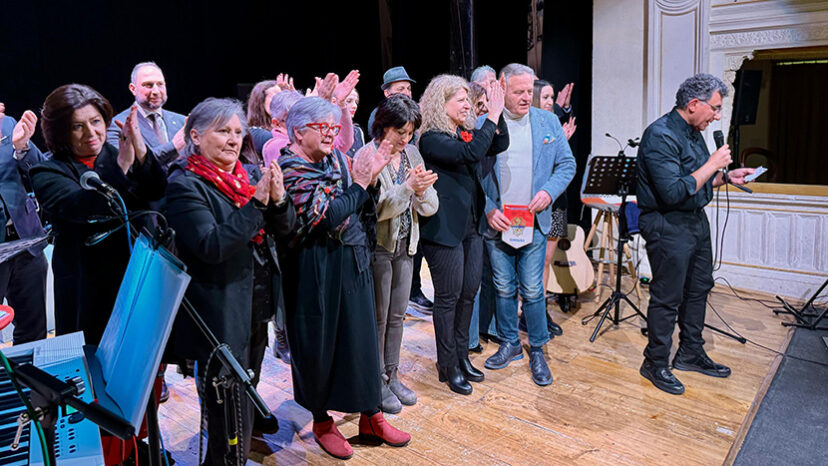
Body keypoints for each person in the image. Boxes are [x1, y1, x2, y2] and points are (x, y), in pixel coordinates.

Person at [165, 97, 296, 463]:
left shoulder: (248, 174)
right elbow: (211, 245)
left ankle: (236, 449)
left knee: (246, 386)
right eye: (222, 131)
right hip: (217, 311)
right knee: (223, 403)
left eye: (238, 132)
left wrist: (280, 200)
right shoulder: (184, 185)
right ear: (195, 135)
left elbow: (285, 231)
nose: (233, 139)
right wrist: (257, 204)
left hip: (255, 301)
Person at [278, 97, 410, 460]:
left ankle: (371, 415)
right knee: (320, 346)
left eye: (335, 128)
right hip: (314, 269)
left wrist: (368, 184)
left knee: (362, 338)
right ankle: (322, 421)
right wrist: (362, 182)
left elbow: (359, 205)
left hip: (352, 257)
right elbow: (326, 217)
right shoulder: (291, 168)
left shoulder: (335, 157)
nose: (332, 135)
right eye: (325, 128)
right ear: (299, 130)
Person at [636, 73, 754, 395]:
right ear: (693, 104)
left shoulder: (694, 132)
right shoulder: (659, 136)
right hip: (667, 224)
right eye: (714, 108)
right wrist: (714, 163)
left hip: (695, 222)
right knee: (668, 296)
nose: (717, 116)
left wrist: (726, 177)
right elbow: (674, 191)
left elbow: (699, 181)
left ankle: (689, 351)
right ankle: (655, 361)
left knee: (699, 288)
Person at [31, 84, 166, 345]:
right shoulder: (46, 171)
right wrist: (123, 167)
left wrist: (140, 151)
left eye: (95, 121)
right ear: (60, 133)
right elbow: (82, 206)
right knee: (92, 365)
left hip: (132, 276)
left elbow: (155, 192)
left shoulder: (116, 153)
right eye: (77, 126)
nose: (91, 133)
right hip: (85, 288)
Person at [481, 64, 576, 387]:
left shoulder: (548, 121)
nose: (525, 98)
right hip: (499, 222)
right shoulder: (486, 124)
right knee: (504, 287)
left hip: (534, 222)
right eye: (518, 91)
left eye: (529, 91)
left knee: (534, 289)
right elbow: (473, 174)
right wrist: (489, 208)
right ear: (502, 89)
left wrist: (549, 192)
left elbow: (567, 164)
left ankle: (537, 347)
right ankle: (510, 343)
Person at [418, 74, 508, 395]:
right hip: (444, 229)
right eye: (461, 100)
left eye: (468, 100)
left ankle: (461, 357)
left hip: (471, 226)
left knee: (469, 292)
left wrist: (496, 111)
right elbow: (471, 154)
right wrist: (492, 116)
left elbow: (498, 143)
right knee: (448, 298)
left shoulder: (465, 132)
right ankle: (448, 365)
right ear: (441, 105)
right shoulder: (431, 138)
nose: (468, 105)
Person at [369, 95, 438, 413]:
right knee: (379, 320)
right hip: (380, 249)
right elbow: (377, 210)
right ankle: (376, 381)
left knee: (398, 316)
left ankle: (392, 375)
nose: (406, 139)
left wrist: (422, 192)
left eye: (410, 133)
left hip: (407, 246)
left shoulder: (411, 153)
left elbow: (430, 206)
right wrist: (408, 188)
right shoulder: (369, 155)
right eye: (401, 132)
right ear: (384, 126)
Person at [0, 103, 48, 344]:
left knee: (33, 332)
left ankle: (29, 382)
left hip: (25, 240)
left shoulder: (8, 124)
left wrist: (22, 147)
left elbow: (41, 172)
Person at [262, 71, 357, 166]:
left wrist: (341, 105)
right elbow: (304, 147)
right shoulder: (273, 145)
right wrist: (320, 103)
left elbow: (343, 143)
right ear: (276, 123)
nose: (300, 120)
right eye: (292, 117)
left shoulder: (311, 136)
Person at [107, 62, 187, 170]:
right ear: (133, 89)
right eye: (148, 85)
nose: (156, 91)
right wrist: (173, 146)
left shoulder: (182, 122)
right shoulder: (117, 125)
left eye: (160, 84)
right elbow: (130, 166)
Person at [367, 66, 415, 138]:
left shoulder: (414, 112)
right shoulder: (378, 114)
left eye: (409, 89)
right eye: (400, 89)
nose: (407, 93)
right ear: (387, 93)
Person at [343, 89, 366, 157]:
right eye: (349, 101)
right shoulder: (329, 130)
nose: (355, 106)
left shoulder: (357, 131)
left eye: (356, 102)